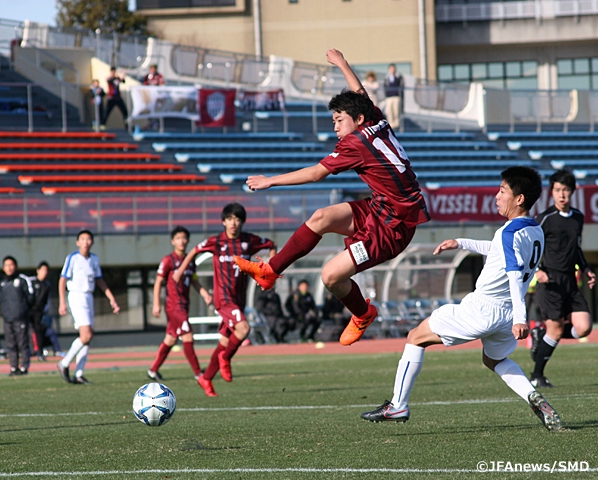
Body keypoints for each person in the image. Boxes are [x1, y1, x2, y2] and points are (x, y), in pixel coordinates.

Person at [235, 48, 430, 348]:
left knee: (330, 277)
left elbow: (316, 173)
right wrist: (341, 63)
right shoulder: (374, 120)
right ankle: (270, 271)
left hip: (394, 228)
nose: (335, 126)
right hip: (380, 209)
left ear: (357, 119)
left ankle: (363, 313)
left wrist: (270, 180)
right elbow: (360, 93)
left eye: (339, 120)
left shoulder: (356, 143)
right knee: (321, 218)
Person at [360, 167, 562, 431]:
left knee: (415, 337)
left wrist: (522, 320)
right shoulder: (535, 230)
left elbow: (513, 273)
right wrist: (461, 242)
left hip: (484, 309)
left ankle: (398, 405)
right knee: (494, 360)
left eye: (502, 191)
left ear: (519, 198)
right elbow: (498, 251)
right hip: (506, 314)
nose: (497, 196)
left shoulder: (508, 232)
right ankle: (533, 396)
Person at [173, 203, 276, 397]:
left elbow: (272, 245)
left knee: (224, 340)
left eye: (237, 219)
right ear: (223, 221)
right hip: (223, 298)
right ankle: (226, 359)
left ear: (242, 222)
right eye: (229, 219)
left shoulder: (249, 241)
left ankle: (206, 378)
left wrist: (269, 270)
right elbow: (195, 250)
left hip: (239, 299)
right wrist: (180, 271)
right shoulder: (216, 242)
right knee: (244, 329)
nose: (233, 223)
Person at [530, 169, 595, 388]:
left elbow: (575, 248)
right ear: (552, 193)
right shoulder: (545, 218)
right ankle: (537, 375)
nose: (562, 195)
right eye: (557, 190)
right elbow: (532, 247)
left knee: (584, 327)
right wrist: (538, 269)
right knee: (556, 330)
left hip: (570, 279)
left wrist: (586, 269)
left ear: (572, 192)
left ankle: (541, 333)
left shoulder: (577, 217)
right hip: (549, 281)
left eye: (565, 190)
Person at [148, 226, 212, 382]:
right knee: (187, 335)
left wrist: (204, 293)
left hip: (184, 304)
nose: (181, 241)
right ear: (172, 241)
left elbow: (194, 280)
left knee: (170, 339)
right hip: (174, 306)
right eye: (178, 238)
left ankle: (153, 370)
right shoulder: (168, 260)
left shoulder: (189, 262)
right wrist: (156, 304)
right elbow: (158, 282)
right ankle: (198, 373)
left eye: (184, 238)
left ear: (188, 240)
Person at [57, 230, 120, 385]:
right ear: (78, 242)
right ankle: (64, 363)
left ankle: (79, 373)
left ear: (92, 242)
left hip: (89, 296)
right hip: (76, 296)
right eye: (82, 239)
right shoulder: (72, 258)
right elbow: (62, 280)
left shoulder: (94, 259)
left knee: (87, 337)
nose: (86, 242)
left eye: (88, 239)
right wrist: (62, 302)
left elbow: (100, 280)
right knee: (86, 335)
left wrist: (112, 299)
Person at [0, 256, 34, 375]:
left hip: (21, 318)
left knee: (22, 343)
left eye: (11, 265)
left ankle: (24, 367)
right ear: (3, 268)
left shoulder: (22, 280)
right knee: (11, 345)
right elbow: (1, 300)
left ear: (16, 266)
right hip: (8, 319)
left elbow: (31, 298)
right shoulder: (2, 284)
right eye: (6, 265)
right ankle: (14, 367)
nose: (9, 268)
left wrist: (23, 311)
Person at [29, 261, 51, 362]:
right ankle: (27, 352)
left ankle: (39, 352)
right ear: (38, 271)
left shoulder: (47, 285)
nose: (44, 272)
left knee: (39, 332)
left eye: (46, 270)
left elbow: (46, 301)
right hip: (28, 311)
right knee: (25, 331)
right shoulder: (32, 282)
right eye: (43, 270)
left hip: (39, 312)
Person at [383, 63, 404, 129]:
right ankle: (391, 124)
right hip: (389, 97)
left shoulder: (398, 77)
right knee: (389, 111)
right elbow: (385, 86)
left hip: (396, 96)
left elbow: (401, 85)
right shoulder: (387, 77)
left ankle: (397, 123)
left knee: (396, 110)